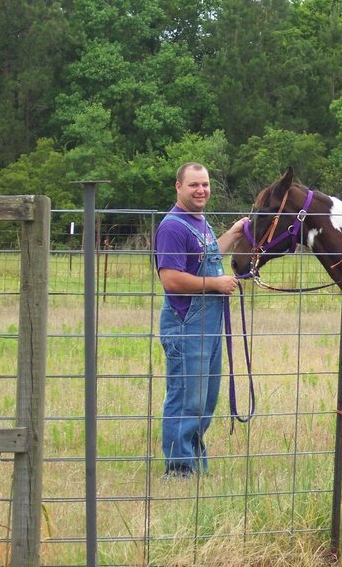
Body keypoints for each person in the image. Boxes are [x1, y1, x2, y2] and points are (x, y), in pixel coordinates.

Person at [154, 162, 249, 478]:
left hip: (208, 326)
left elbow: (204, 258)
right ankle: (179, 469)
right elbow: (171, 279)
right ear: (178, 187)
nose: (201, 190)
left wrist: (233, 234)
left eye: (205, 184)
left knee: (205, 399)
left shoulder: (199, 223)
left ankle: (193, 463)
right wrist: (216, 284)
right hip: (186, 324)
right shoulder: (172, 227)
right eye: (194, 185)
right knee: (185, 396)